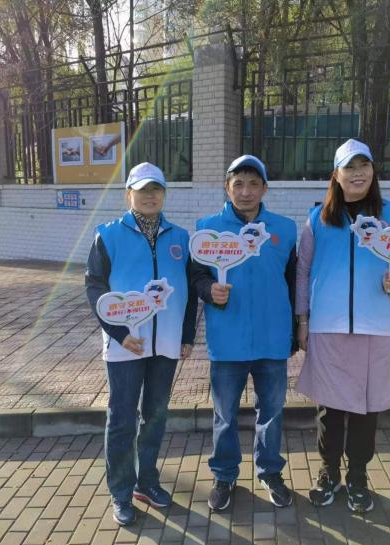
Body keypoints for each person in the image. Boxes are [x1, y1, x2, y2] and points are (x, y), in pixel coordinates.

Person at [295, 139, 390, 513]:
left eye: (364, 165)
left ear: (373, 171)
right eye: (349, 167)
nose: (357, 173)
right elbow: (303, 270)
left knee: (367, 407)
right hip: (328, 326)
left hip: (377, 326)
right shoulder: (318, 219)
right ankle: (329, 471)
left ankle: (358, 476)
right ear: (337, 175)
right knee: (329, 408)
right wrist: (303, 318)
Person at [85, 162, 197, 526]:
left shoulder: (180, 237)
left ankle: (146, 482)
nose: (150, 196)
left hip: (166, 344)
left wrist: (186, 335)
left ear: (164, 194)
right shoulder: (108, 235)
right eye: (142, 189)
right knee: (121, 420)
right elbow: (95, 287)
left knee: (155, 416)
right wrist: (119, 333)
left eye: (156, 189)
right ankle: (120, 491)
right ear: (128, 195)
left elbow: (189, 291)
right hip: (126, 345)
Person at [191, 155, 298, 511]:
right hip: (227, 340)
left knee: (272, 412)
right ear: (227, 187)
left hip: (272, 337)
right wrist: (209, 291)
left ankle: (270, 472)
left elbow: (293, 283)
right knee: (225, 415)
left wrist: (296, 330)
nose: (246, 191)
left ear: (265, 188)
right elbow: (196, 277)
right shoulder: (207, 228)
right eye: (238, 184)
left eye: (254, 184)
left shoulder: (284, 229)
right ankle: (224, 475)